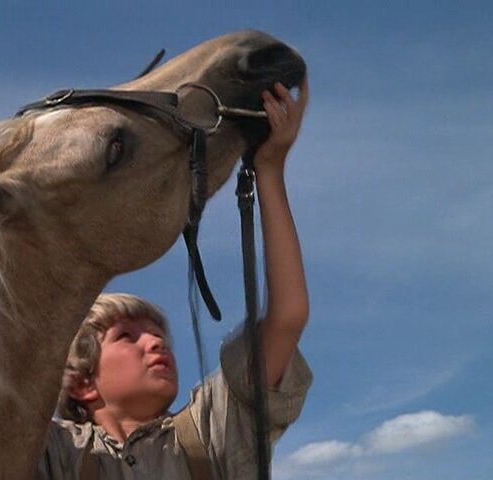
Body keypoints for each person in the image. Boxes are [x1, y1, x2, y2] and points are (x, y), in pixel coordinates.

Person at [37, 78, 312, 480]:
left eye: (158, 336)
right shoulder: (53, 452)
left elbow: (287, 317)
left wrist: (269, 169)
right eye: (126, 337)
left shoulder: (211, 431)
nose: (155, 343)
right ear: (81, 384)